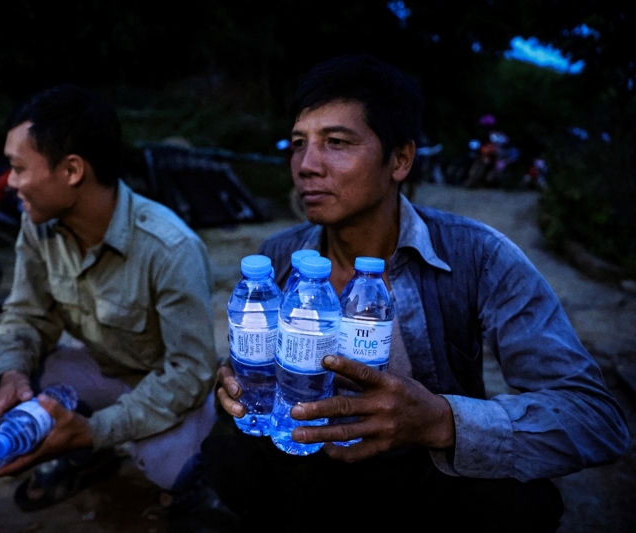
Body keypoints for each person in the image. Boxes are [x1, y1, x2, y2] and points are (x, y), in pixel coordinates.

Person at [203, 54, 629, 532]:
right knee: (225, 450)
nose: (306, 165)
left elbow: (596, 417)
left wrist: (440, 420)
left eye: (336, 143)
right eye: (298, 144)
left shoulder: (478, 255)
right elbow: (258, 369)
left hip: (425, 470)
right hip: (309, 458)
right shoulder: (278, 258)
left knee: (522, 504)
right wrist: (241, 382)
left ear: (400, 159)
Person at [0, 84, 219, 511]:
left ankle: (134, 458)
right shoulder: (38, 225)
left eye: (19, 167)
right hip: (102, 372)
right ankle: (84, 455)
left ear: (72, 170)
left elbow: (189, 372)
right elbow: (26, 315)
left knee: (172, 468)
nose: (11, 183)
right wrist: (13, 374)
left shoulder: (170, 247)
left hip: (162, 386)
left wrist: (96, 429)